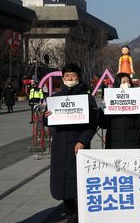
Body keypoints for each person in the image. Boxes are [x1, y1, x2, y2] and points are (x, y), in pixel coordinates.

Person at [44, 64, 98, 222]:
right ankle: (69, 210)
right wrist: (46, 116)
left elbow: (93, 123)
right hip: (60, 146)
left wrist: (83, 141)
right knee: (63, 182)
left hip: (78, 145)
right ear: (62, 78)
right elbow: (48, 121)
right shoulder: (55, 98)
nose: (70, 79)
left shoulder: (88, 98)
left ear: (78, 77)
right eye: (67, 76)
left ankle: (79, 214)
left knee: (79, 181)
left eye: (73, 76)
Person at [98, 73, 140, 149]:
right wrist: (102, 111)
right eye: (124, 82)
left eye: (128, 82)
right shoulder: (110, 100)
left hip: (132, 144)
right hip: (113, 144)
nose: (127, 84)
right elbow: (103, 124)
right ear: (118, 84)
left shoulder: (136, 101)